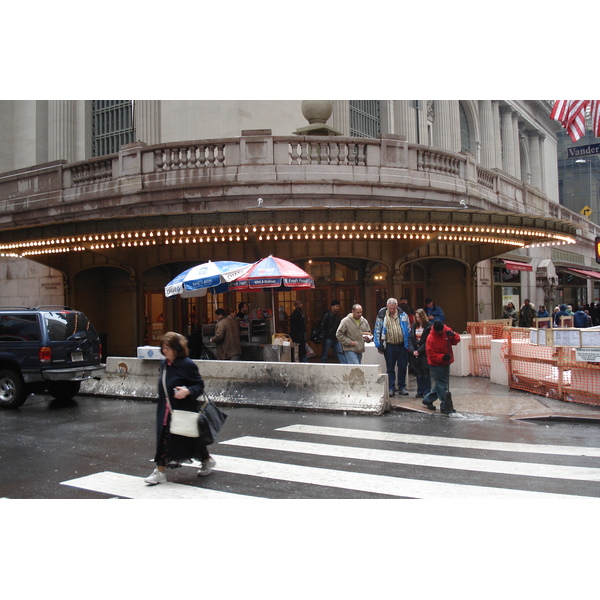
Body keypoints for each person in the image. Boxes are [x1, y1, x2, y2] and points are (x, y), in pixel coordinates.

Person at [145, 331, 214, 485]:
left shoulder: (187, 364)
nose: (165, 351)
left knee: (190, 438)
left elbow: (199, 385)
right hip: (166, 410)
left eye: (168, 348)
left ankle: (206, 460)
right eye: (163, 348)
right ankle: (160, 471)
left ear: (177, 348)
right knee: (164, 439)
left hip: (182, 409)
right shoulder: (164, 364)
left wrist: (187, 391)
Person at [422, 320, 461, 414]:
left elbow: (456, 340)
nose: (441, 333)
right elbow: (431, 355)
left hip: (446, 362)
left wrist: (453, 335)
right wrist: (442, 357)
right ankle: (445, 403)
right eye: (439, 331)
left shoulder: (446, 331)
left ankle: (427, 399)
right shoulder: (430, 338)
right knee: (442, 384)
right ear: (435, 330)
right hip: (436, 364)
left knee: (440, 384)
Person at [373, 298, 411, 396]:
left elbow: (408, 329)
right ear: (387, 307)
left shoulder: (403, 315)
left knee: (402, 367)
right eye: (390, 308)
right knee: (390, 368)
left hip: (402, 345)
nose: (392, 310)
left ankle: (402, 386)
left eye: (393, 308)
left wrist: (409, 344)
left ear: (397, 306)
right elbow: (377, 329)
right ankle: (391, 387)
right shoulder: (382, 316)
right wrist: (378, 345)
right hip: (389, 345)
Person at [408, 308, 432, 398]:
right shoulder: (414, 326)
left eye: (419, 317)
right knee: (418, 373)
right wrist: (413, 350)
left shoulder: (429, 326)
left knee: (425, 372)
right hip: (415, 352)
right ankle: (420, 390)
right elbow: (410, 339)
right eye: (416, 317)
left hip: (424, 352)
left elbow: (428, 341)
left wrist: (419, 350)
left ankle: (427, 390)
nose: (418, 319)